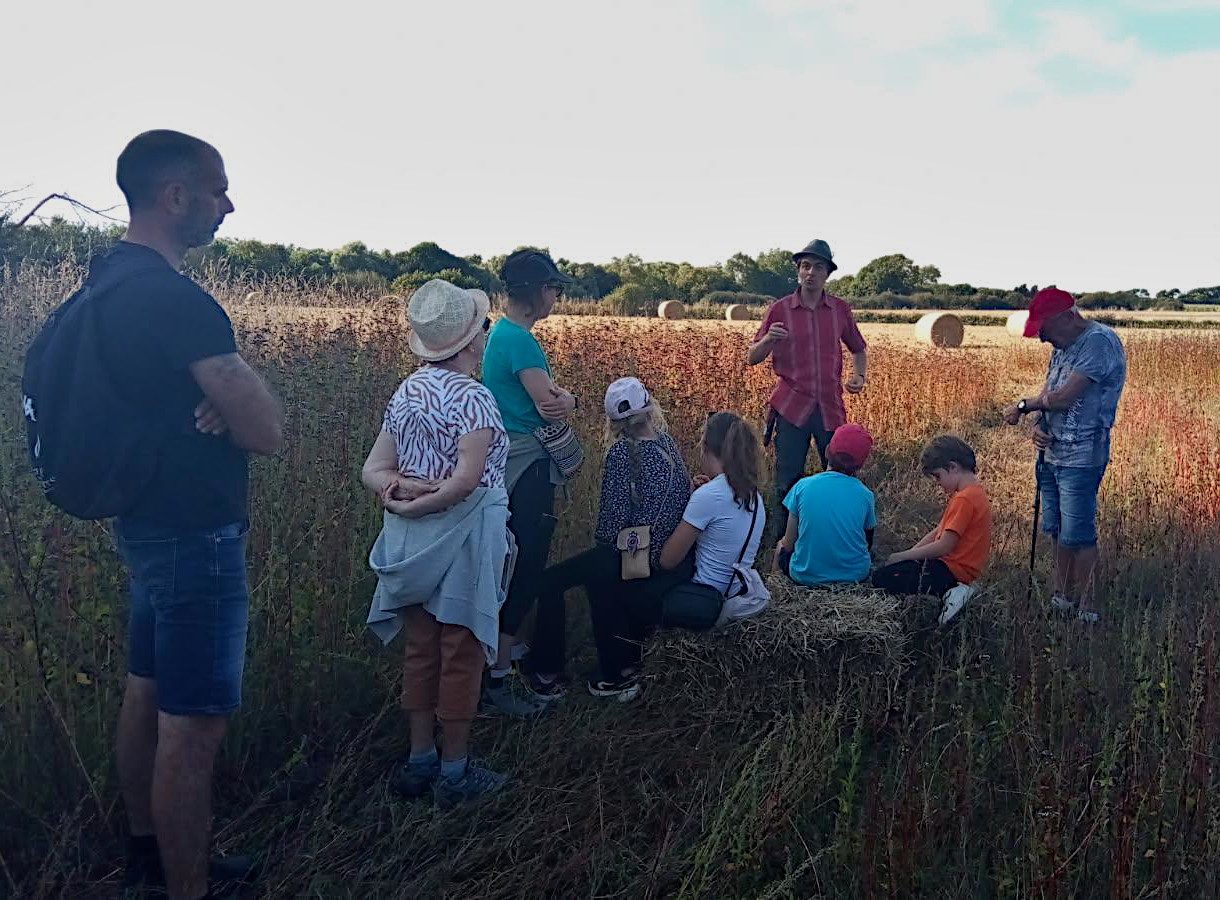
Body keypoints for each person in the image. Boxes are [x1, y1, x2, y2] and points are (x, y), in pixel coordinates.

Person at [100, 131, 284, 900]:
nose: (228, 204)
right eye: (217, 189)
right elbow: (269, 431)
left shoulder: (107, 279)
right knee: (194, 720)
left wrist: (213, 401)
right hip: (194, 533)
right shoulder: (175, 299)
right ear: (176, 197)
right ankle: (188, 889)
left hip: (142, 523)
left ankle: (149, 855)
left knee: (146, 688)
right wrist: (235, 400)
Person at [361, 278, 513, 807]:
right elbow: (467, 482)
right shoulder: (476, 399)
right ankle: (454, 771)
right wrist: (423, 500)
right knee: (463, 650)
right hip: (464, 539)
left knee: (422, 649)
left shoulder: (408, 390)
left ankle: (419, 758)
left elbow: (373, 469)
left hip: (410, 541)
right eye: (485, 328)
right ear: (472, 341)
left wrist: (399, 496)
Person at [530, 377, 692, 702]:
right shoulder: (666, 443)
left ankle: (547, 670)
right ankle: (622, 669)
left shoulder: (621, 454)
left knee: (552, 582)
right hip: (672, 554)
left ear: (614, 422)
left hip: (637, 554)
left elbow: (610, 525)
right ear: (650, 407)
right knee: (600, 575)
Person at [480, 249, 577, 714]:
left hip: (508, 459)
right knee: (526, 563)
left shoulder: (500, 334)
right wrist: (570, 399)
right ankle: (498, 680)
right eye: (555, 289)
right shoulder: (519, 339)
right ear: (539, 291)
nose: (556, 297)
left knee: (512, 558)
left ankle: (501, 661)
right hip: (526, 462)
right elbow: (549, 405)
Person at [1003, 288, 1126, 624]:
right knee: (1056, 529)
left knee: (1078, 533)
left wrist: (1024, 406)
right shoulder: (1062, 347)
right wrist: (1040, 424)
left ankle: (1088, 606)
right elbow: (1050, 394)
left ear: (1069, 317)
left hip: (1082, 454)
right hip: (1053, 452)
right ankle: (1062, 596)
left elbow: (1063, 398)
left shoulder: (1099, 342)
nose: (1043, 340)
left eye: (1045, 331)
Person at [747, 239, 868, 537]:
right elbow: (752, 357)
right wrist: (768, 340)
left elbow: (858, 347)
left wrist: (859, 377)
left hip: (830, 406)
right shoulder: (780, 310)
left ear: (828, 273)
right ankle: (784, 544)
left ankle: (835, 537)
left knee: (841, 477)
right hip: (791, 407)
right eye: (804, 266)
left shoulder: (839, 310)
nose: (809, 272)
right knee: (788, 480)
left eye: (817, 267)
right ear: (798, 271)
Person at [656, 411, 767, 628]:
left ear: (706, 448)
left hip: (702, 600)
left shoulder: (709, 496)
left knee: (636, 594)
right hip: (734, 593)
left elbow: (667, 560)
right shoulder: (754, 496)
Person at [872, 435, 992, 623]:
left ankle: (952, 591)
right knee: (895, 570)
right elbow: (939, 531)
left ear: (953, 467)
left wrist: (903, 557)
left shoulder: (964, 499)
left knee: (881, 579)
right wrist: (910, 554)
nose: (938, 484)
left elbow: (944, 546)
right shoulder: (975, 493)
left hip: (949, 571)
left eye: (938, 477)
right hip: (957, 569)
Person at [774, 424, 876, 587]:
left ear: (827, 450)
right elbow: (867, 541)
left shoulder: (802, 486)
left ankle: (775, 589)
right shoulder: (865, 495)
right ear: (860, 465)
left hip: (805, 576)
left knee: (780, 546)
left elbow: (789, 543)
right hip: (855, 577)